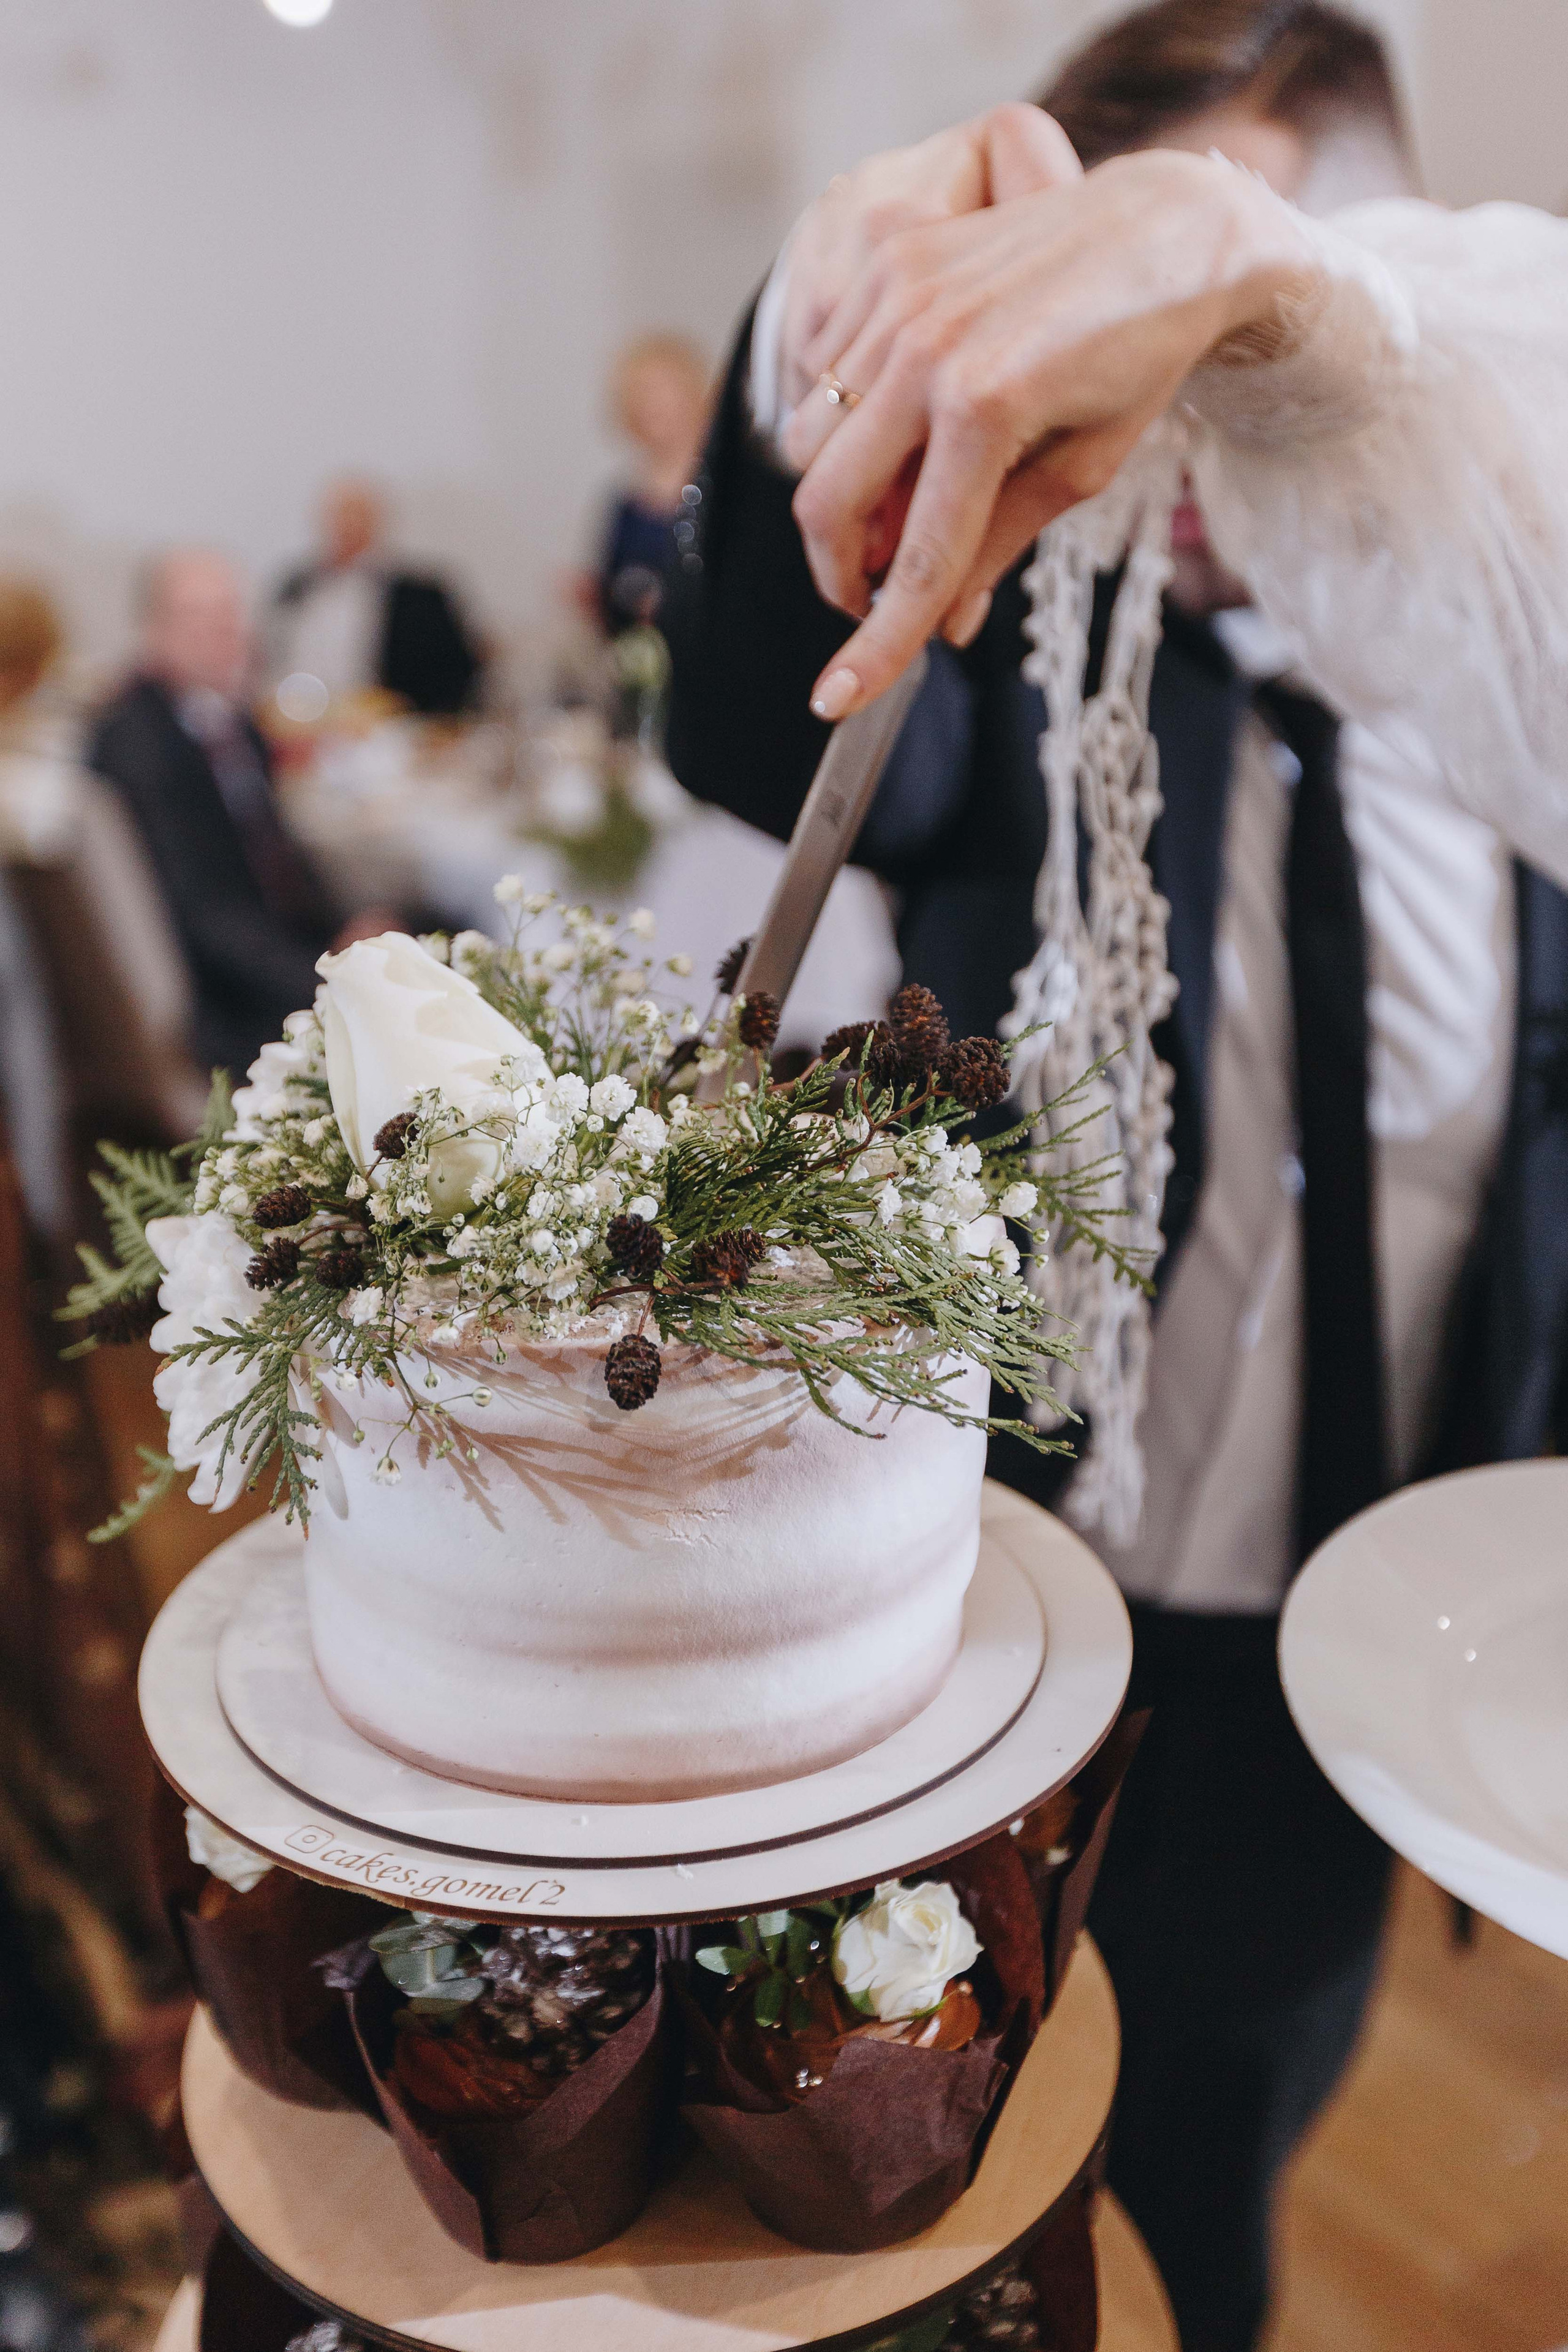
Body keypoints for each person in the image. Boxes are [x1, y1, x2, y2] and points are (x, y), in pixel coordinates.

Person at [663, 8, 1568, 2347]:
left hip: (1344, 1619)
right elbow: (757, 716)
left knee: (1225, 2147)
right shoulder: (1038, 671)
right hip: (988, 1593)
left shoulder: (1520, 700)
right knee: (904, 2159)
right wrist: (813, 333)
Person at [92, 550, 368, 1082]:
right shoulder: (136, 744)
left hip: (276, 951)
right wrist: (325, 973)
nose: (223, 630)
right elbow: (200, 915)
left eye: (230, 611)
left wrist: (347, 928)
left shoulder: (231, 722)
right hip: (227, 1001)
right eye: (197, 615)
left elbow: (279, 854)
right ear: (153, 631)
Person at [271, 478, 484, 717]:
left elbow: (454, 676)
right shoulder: (295, 586)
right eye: (339, 516)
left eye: (357, 516)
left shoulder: (423, 596)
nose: (347, 526)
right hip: (305, 723)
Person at [593, 334, 710, 634]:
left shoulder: (720, 491)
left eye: (665, 389)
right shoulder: (624, 507)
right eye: (643, 392)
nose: (655, 404)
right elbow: (611, 599)